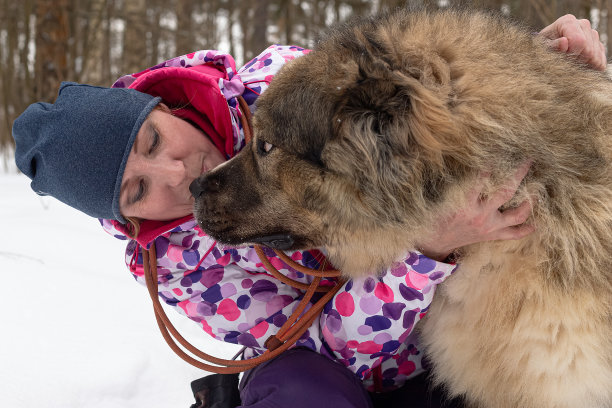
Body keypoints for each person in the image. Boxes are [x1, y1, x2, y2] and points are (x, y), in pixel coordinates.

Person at [12, 14, 606, 408]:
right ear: (129, 220)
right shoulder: (182, 269)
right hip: (352, 373)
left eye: (152, 141)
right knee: (297, 387)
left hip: (447, 337)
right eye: (137, 192)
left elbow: (406, 104)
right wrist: (427, 249)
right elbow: (330, 349)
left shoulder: (280, 79)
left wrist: (545, 68)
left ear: (157, 105)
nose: (175, 173)